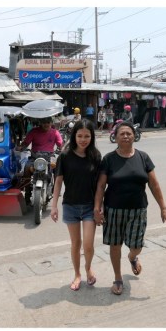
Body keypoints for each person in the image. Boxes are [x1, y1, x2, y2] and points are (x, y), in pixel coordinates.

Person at [93, 121, 166, 296]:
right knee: (115, 245)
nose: (126, 136)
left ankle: (132, 257)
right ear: (116, 137)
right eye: (122, 134)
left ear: (134, 136)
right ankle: (118, 278)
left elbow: (154, 184)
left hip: (138, 210)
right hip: (113, 210)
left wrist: (163, 208)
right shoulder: (109, 159)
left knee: (136, 245)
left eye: (129, 133)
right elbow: (100, 187)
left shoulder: (143, 157)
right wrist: (97, 209)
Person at [50, 118, 101, 292]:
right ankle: (77, 274)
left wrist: (99, 206)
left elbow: (100, 185)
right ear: (74, 136)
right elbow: (58, 181)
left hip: (89, 206)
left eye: (87, 136)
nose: (83, 139)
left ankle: (88, 268)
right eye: (80, 136)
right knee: (75, 243)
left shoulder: (95, 155)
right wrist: (54, 205)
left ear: (92, 137)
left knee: (88, 244)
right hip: (70, 206)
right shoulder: (65, 155)